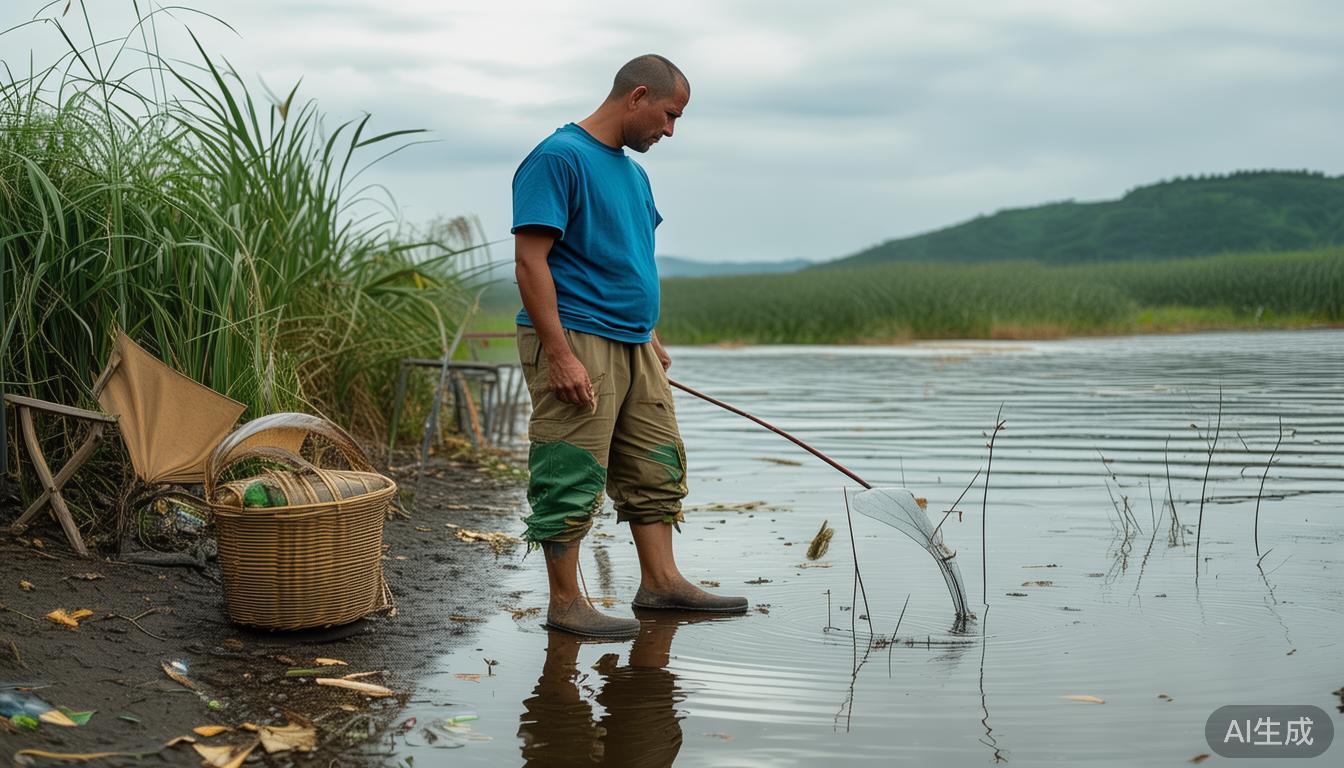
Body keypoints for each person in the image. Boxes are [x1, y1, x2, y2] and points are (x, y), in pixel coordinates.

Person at [513, 54, 747, 638]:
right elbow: (530, 259)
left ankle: (662, 582)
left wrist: (650, 333)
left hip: (634, 342)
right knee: (570, 466)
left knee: (655, 463)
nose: (670, 130)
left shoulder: (634, 174)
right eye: (670, 115)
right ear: (638, 95)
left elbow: (627, 256)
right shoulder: (557, 157)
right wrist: (560, 353)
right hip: (577, 336)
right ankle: (566, 602)